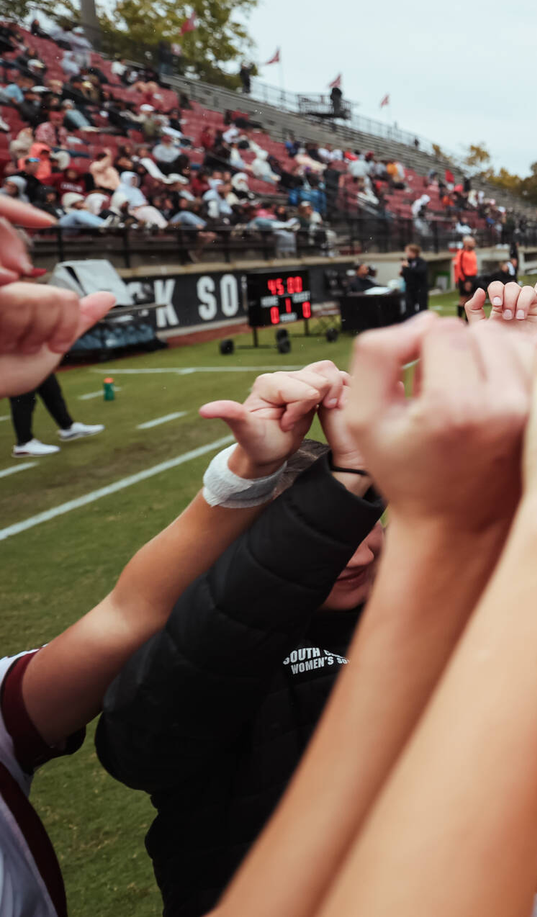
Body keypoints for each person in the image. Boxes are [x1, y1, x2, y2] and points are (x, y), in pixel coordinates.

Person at [97, 363, 383, 917]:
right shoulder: (198, 633)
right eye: (327, 533)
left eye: (364, 514)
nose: (364, 553)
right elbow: (137, 750)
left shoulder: (417, 599)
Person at [10, 371, 105, 457]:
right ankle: (24, 443)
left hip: (31, 361)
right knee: (23, 400)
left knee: (52, 390)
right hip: (16, 363)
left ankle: (67, 427)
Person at [452, 235, 479, 323]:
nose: (474, 243)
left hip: (473, 277)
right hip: (465, 278)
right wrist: (464, 280)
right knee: (463, 300)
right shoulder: (462, 253)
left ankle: (468, 320)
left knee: (471, 299)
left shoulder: (473, 252)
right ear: (466, 243)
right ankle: (459, 319)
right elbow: (459, 267)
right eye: (472, 242)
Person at [400, 244, 430, 316]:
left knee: (422, 308)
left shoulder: (421, 262)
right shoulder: (408, 261)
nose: (407, 253)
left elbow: (420, 272)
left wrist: (408, 266)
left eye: (408, 251)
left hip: (420, 289)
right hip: (410, 289)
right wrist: (402, 272)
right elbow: (407, 275)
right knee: (409, 308)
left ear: (413, 252)